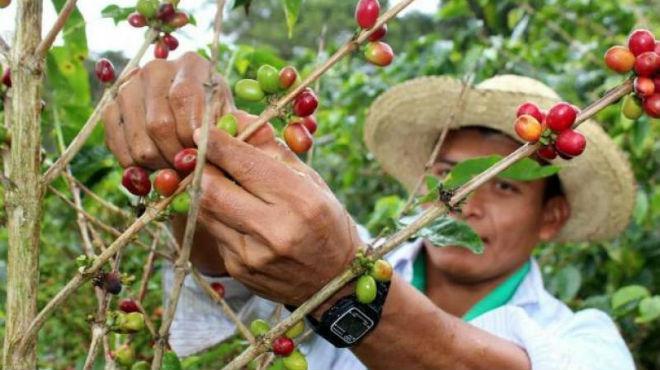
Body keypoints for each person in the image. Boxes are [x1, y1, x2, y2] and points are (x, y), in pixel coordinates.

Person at [103, 52, 637, 369]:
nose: (467, 202)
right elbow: (233, 261)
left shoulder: (587, 341)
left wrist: (340, 288)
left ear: (552, 216)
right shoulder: (356, 247)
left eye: (505, 187)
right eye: (449, 173)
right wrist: (188, 157)